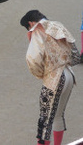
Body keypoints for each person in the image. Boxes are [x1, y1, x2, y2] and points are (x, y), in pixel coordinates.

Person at [20, 10, 78, 145]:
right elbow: (75, 54)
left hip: (53, 79)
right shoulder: (58, 25)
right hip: (69, 75)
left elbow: (33, 59)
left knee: (45, 121)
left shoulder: (37, 31)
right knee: (58, 115)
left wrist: (42, 74)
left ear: (30, 23)